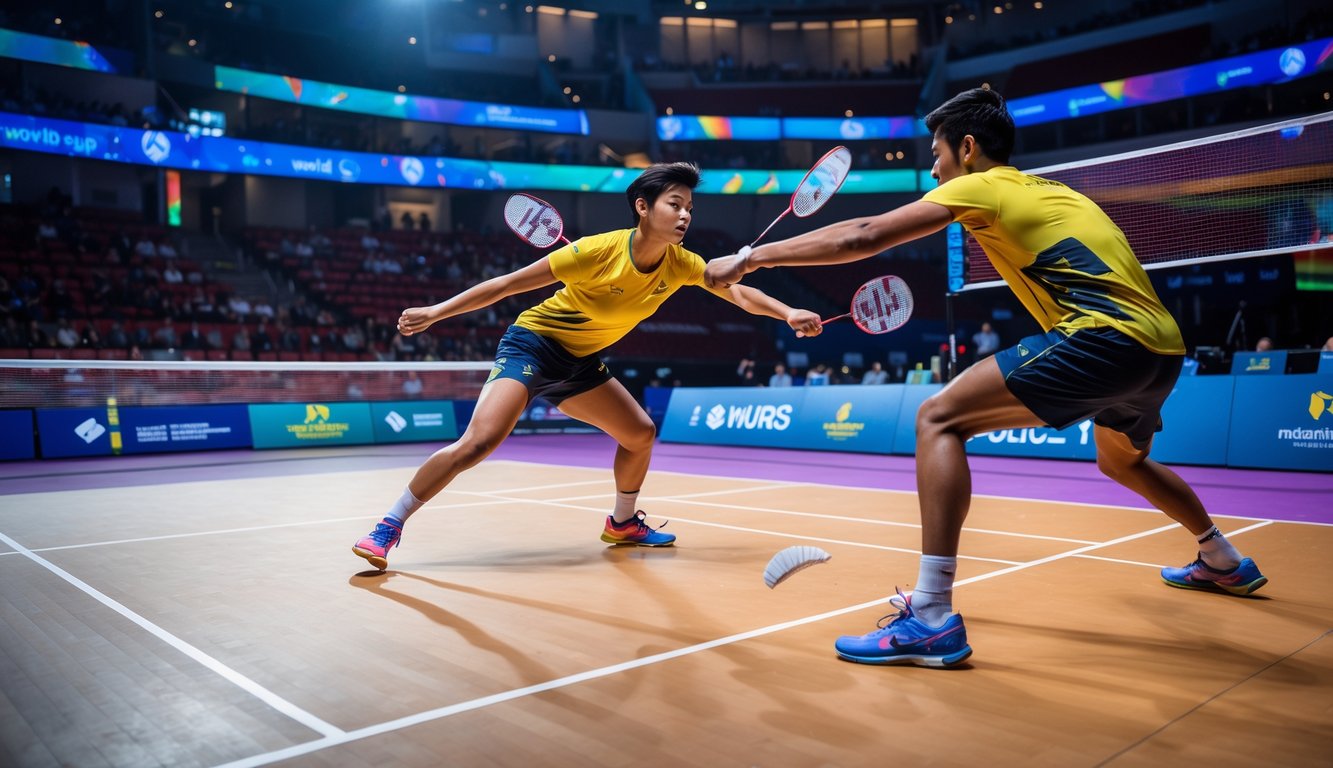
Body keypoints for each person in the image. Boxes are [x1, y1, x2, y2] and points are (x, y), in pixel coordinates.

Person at [704, 88, 1266, 668]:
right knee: (1120, 459)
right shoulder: (1054, 189)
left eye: (936, 154)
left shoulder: (981, 185)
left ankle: (929, 616)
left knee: (938, 418)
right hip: (1161, 348)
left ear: (967, 148)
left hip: (1101, 336)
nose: (932, 167)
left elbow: (864, 234)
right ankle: (1222, 559)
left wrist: (751, 258)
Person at [353, 162, 824, 570]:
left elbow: (738, 292)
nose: (684, 215)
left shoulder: (681, 264)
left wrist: (787, 313)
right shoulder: (595, 251)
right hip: (533, 347)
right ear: (643, 206)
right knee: (479, 442)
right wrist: (436, 312)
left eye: (689, 209)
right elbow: (505, 285)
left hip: (579, 363)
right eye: (675, 204)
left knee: (640, 434)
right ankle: (388, 525)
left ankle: (621, 524)